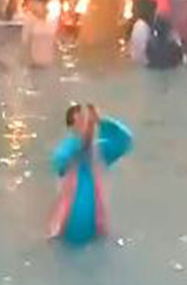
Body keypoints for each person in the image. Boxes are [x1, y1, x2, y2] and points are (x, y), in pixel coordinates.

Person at [48, 104, 133, 246]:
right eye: (80, 124)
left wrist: (102, 121)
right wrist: (78, 139)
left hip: (97, 231)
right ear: (71, 128)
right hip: (66, 230)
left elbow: (125, 140)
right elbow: (59, 163)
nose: (86, 129)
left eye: (88, 124)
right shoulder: (66, 151)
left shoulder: (101, 151)